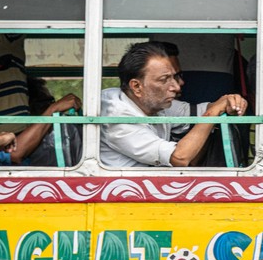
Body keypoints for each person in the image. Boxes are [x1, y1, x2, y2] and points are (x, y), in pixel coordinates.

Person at [100, 42, 247, 167]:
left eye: (174, 77)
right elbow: (179, 158)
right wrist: (213, 112)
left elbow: (200, 111)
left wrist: (228, 102)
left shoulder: (155, 103)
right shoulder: (117, 116)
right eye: (164, 79)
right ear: (137, 87)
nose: (176, 87)